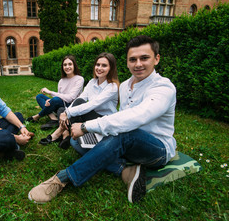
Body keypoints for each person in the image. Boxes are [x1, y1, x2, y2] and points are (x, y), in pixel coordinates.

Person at [28, 35, 177, 204]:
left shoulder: (163, 87)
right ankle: (125, 171)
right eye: (133, 59)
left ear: (156, 59)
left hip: (156, 149)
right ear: (127, 62)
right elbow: (112, 114)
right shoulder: (126, 85)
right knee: (77, 142)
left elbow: (136, 117)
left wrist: (85, 127)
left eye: (144, 58)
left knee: (123, 134)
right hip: (126, 145)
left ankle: (64, 178)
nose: (138, 64)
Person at [39, 53, 119, 150]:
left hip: (103, 120)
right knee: (66, 109)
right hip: (90, 118)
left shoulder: (112, 87)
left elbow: (92, 104)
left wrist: (67, 112)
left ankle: (59, 131)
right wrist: (66, 112)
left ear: (111, 68)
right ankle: (66, 135)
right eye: (97, 65)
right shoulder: (92, 82)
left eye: (104, 65)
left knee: (76, 107)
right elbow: (80, 98)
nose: (99, 68)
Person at [26, 55, 84, 130]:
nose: (67, 67)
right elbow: (59, 95)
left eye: (70, 64)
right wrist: (50, 100)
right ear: (62, 67)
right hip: (60, 104)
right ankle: (53, 119)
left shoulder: (79, 79)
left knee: (56, 100)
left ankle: (37, 116)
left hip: (71, 106)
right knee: (40, 97)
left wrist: (50, 93)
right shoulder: (61, 81)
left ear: (74, 65)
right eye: (65, 65)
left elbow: (70, 98)